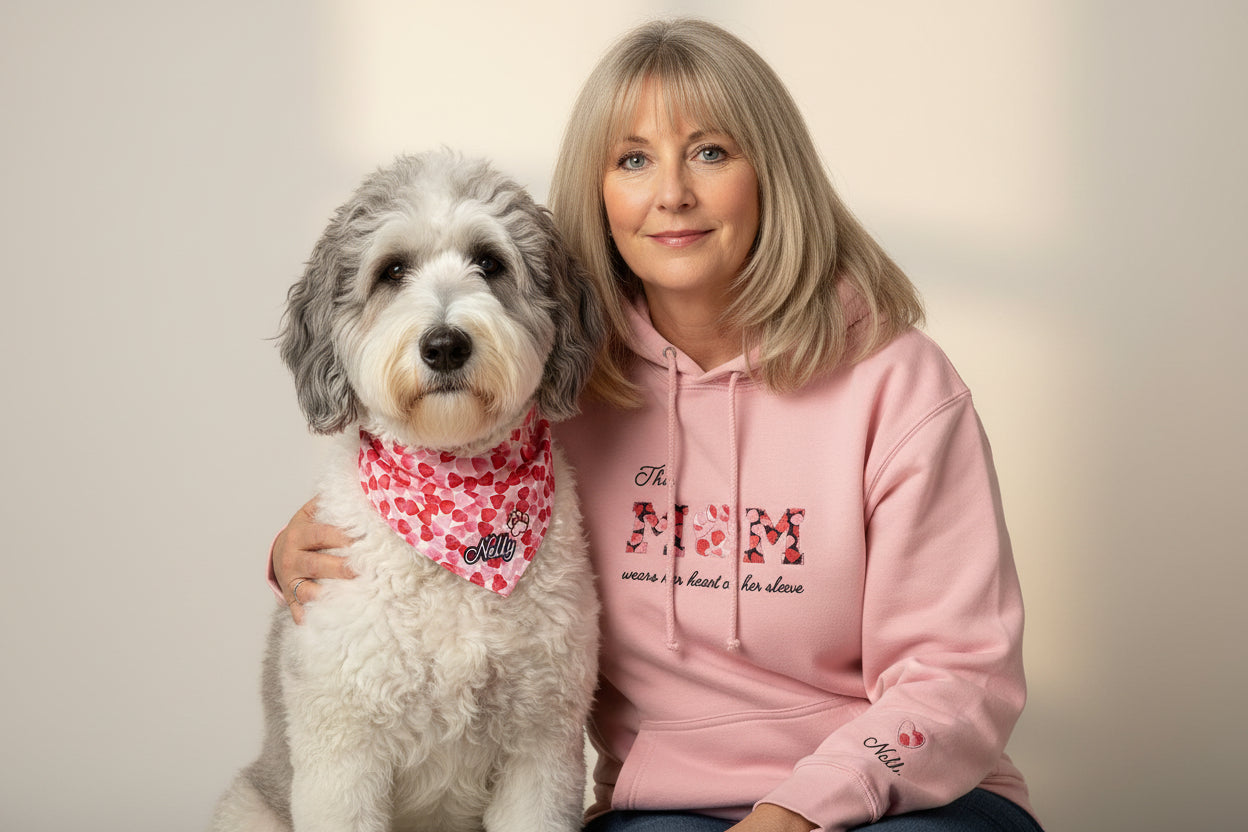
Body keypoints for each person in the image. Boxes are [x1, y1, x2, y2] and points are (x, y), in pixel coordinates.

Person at [271, 18, 1042, 832]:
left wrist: (802, 809)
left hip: (905, 799)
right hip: (671, 810)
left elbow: (961, 674)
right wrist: (297, 548)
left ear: (770, 175)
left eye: (710, 152)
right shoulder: (556, 388)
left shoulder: (898, 386)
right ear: (600, 193)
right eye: (633, 159)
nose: (672, 193)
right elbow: (438, 489)